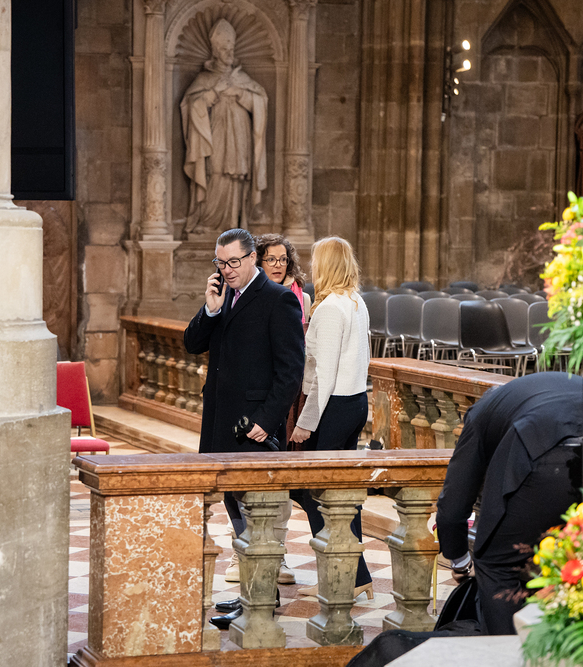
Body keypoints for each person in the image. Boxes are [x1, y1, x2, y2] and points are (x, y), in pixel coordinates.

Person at [436, 372, 583, 635]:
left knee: (498, 564)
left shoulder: (480, 413)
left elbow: (453, 504)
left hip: (551, 450)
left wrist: (460, 561)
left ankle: (511, 652)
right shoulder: (535, 392)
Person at [183, 227, 304, 628]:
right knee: (236, 509)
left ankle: (261, 598)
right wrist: (210, 309)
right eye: (220, 263)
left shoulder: (278, 299)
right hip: (220, 423)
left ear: (253, 258)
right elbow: (192, 344)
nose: (227, 270)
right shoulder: (223, 297)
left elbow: (291, 371)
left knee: (257, 516)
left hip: (252, 429)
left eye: (234, 262)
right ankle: (253, 592)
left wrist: (266, 421)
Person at [289, 236, 373, 601]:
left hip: (332, 407)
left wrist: (305, 423)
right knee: (343, 494)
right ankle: (355, 577)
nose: (312, 266)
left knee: (313, 493)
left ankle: (343, 577)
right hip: (355, 403)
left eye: (316, 260)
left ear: (326, 265)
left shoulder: (328, 310)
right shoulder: (356, 302)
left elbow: (323, 375)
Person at [180, 19, 268, 235]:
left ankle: (234, 224)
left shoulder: (242, 79)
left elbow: (261, 101)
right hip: (216, 131)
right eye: (224, 48)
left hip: (240, 133)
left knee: (237, 175)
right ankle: (209, 222)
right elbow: (191, 105)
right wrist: (214, 91)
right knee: (216, 171)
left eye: (231, 47)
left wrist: (241, 94)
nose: (229, 52)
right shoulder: (205, 78)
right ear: (215, 51)